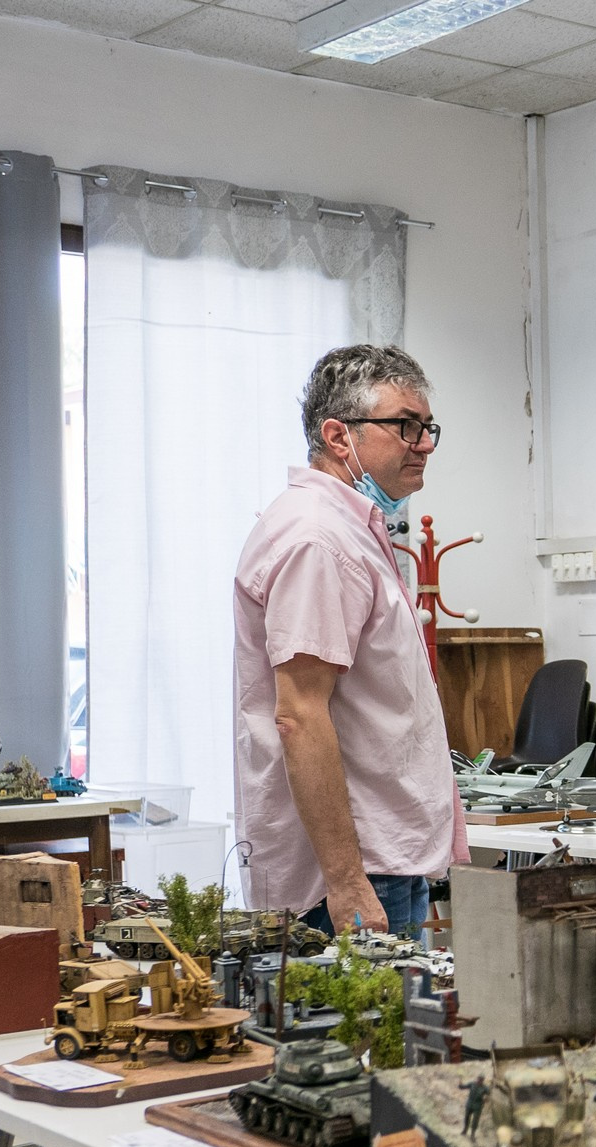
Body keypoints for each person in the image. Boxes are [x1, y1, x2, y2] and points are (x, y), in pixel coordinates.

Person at [232, 344, 467, 942]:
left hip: (382, 856)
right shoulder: (319, 539)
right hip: (354, 872)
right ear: (339, 437)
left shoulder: (348, 529)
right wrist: (346, 881)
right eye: (405, 426)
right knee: (368, 1007)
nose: (425, 444)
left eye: (428, 427)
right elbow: (299, 715)